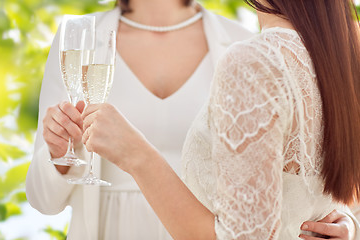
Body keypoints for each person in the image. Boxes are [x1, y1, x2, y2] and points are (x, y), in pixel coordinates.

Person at [25, 0, 359, 239]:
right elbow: (42, 199)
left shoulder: (246, 42)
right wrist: (59, 156)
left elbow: (310, 172)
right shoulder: (79, 38)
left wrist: (345, 222)